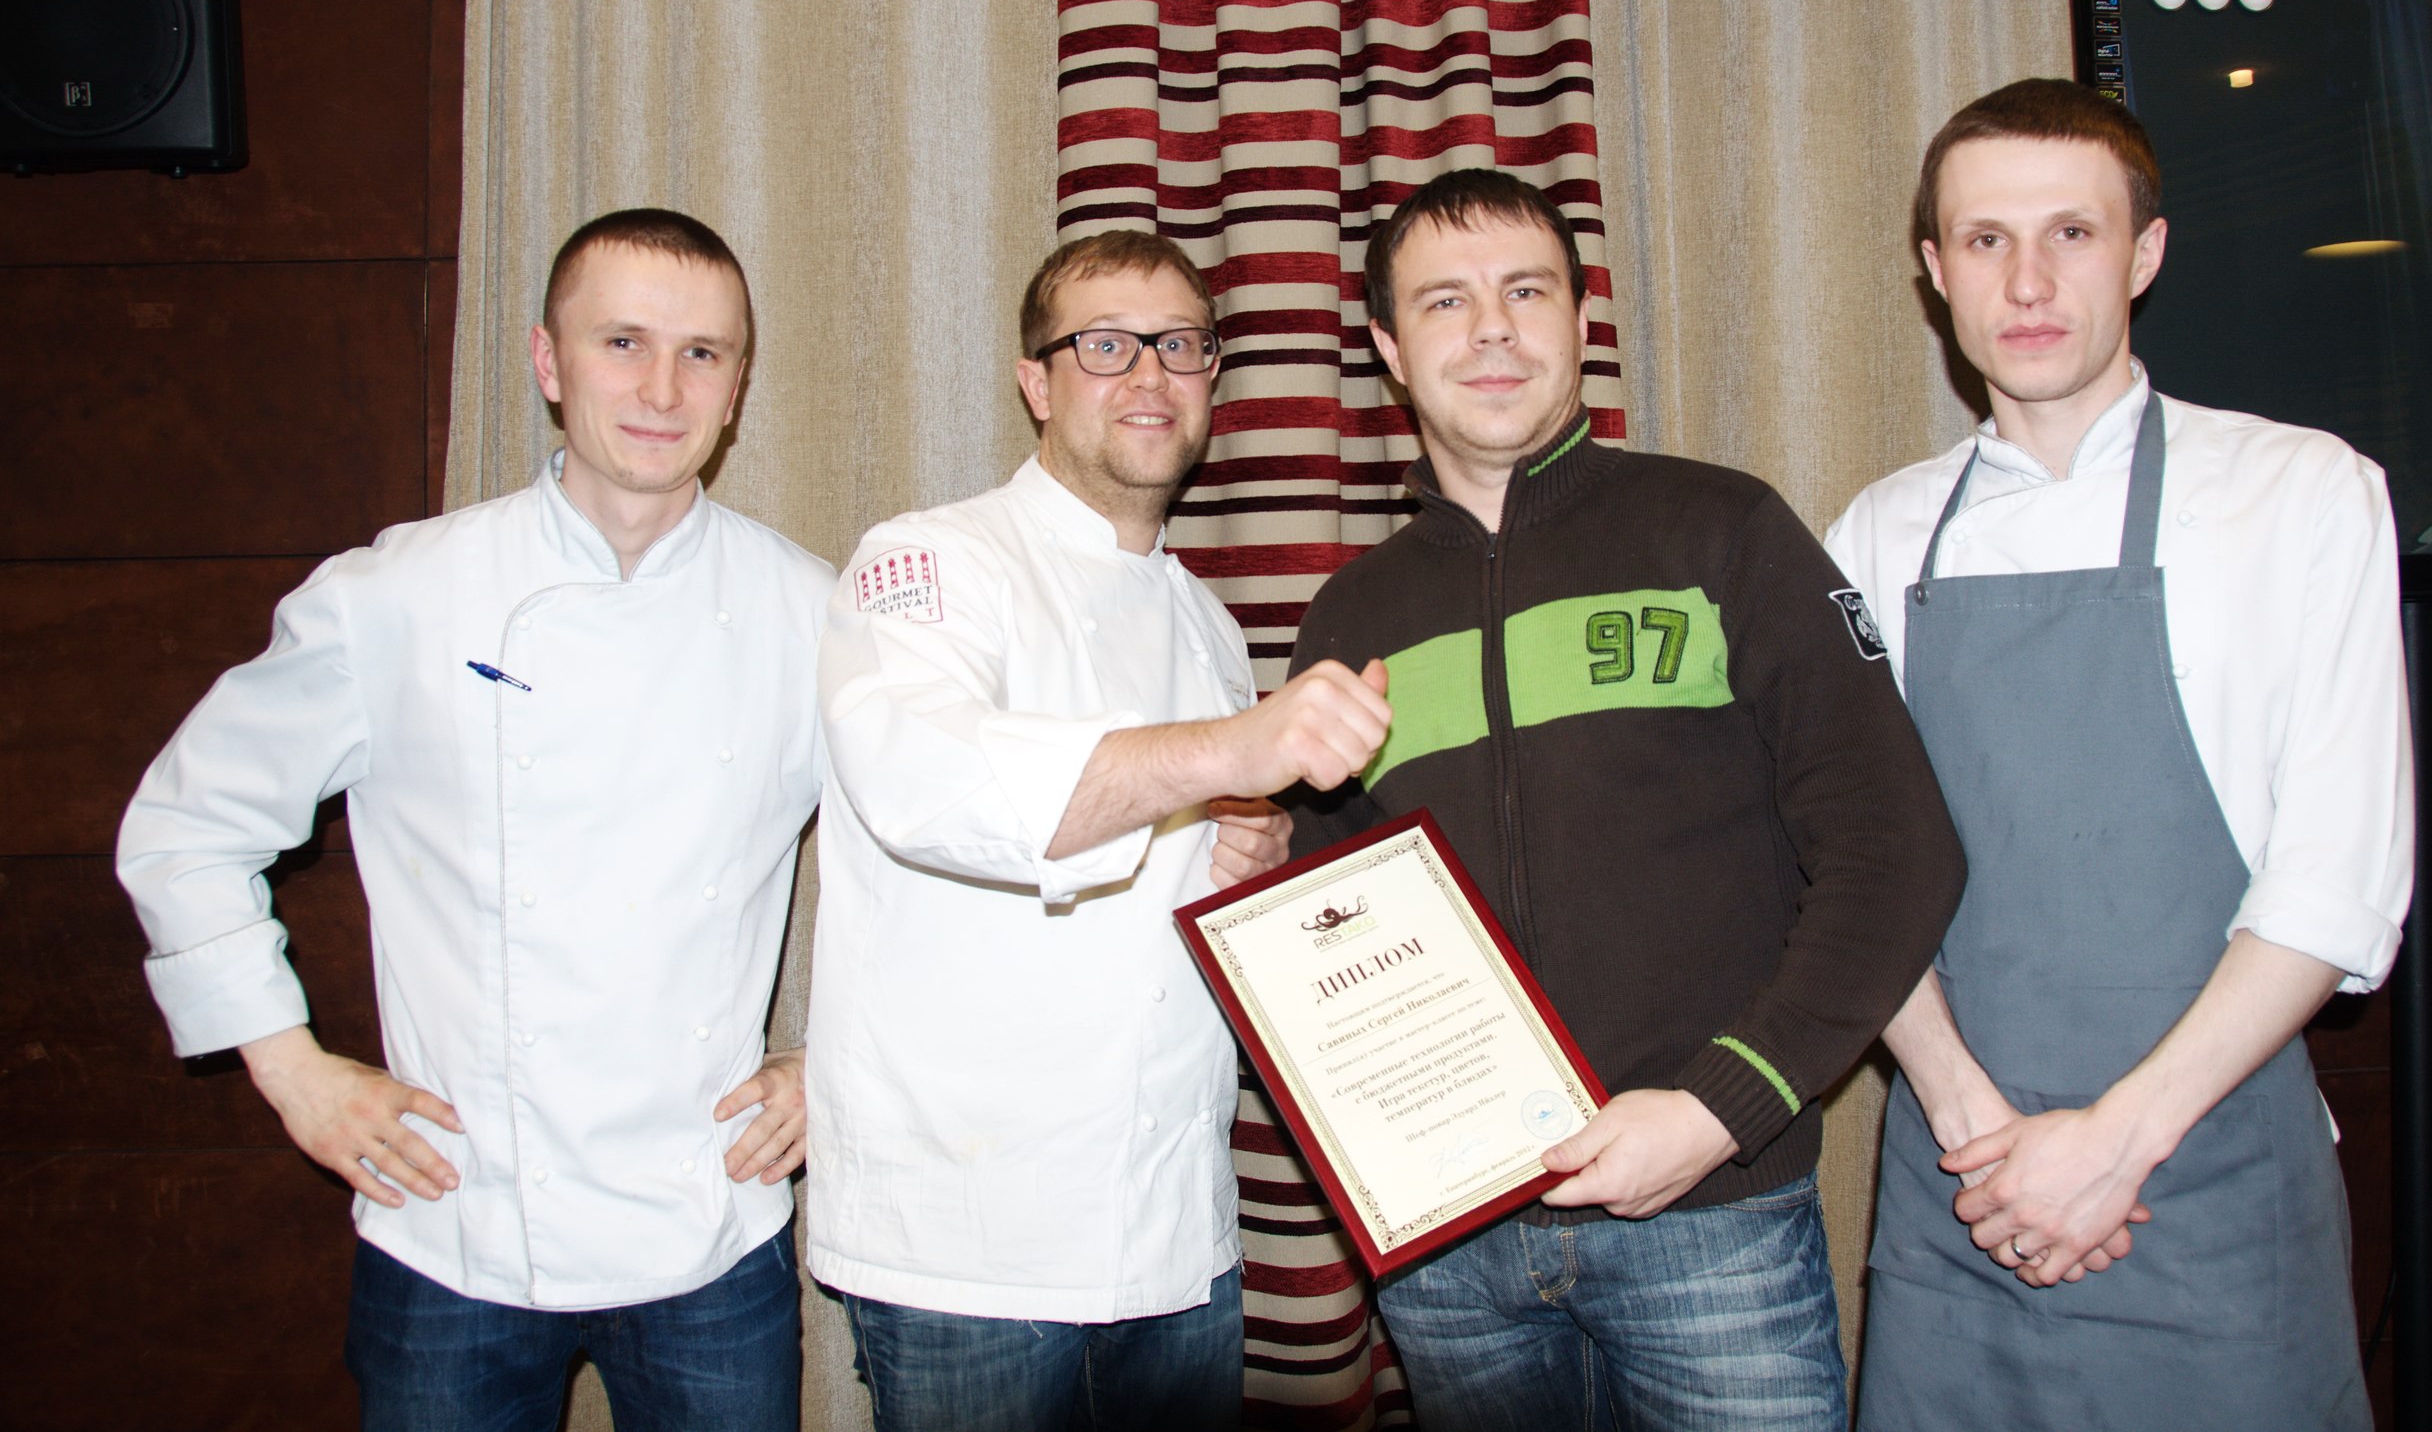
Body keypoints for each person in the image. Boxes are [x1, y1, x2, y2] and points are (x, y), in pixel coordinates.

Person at [117, 209, 834, 1431]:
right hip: (451, 1224)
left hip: (709, 1222)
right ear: (549, 362)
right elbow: (186, 825)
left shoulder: (811, 611)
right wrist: (292, 1072)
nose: (662, 389)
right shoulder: (398, 594)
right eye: (622, 342)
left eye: (702, 353)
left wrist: (834, 1064)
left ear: (738, 387)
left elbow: (923, 866)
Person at [1282, 169, 1969, 1430]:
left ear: (1580, 318)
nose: (1491, 329)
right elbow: (1330, 922)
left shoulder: (1723, 530)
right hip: (1452, 1254)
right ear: (1388, 346)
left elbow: (1897, 849)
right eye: (1444, 301)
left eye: (1525, 290)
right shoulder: (1349, 617)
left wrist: (1722, 1106)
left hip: (1710, 1221)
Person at [1824, 78, 2413, 1430]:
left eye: (2071, 234)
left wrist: (2114, 1142)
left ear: (2144, 253)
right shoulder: (1876, 533)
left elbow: (2337, 879)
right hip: (1963, 1188)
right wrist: (1976, 1132)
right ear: (1935, 271)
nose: (2027, 281)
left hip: (2208, 1173)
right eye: (1986, 240)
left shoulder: (2302, 492)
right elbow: (1852, 871)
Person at [806, 229, 1394, 1432]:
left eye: (1181, 345)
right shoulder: (928, 559)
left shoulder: (1206, 622)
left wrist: (1247, 852)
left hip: (1176, 1233)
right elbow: (928, 785)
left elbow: (1177, 861)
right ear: (1037, 381)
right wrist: (1232, 752)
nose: (1150, 376)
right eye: (1107, 346)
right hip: (970, 1247)